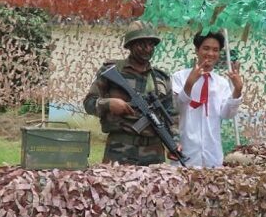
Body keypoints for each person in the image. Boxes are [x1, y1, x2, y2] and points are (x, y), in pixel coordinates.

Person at [83, 22, 177, 165]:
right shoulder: (111, 71)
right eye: (142, 44)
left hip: (154, 153)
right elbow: (89, 103)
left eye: (151, 44)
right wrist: (108, 104)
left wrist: (175, 143)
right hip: (120, 150)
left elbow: (171, 114)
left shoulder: (161, 78)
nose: (147, 49)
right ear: (130, 45)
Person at [171, 31, 243, 167]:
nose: (210, 54)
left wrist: (237, 90)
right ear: (197, 50)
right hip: (185, 154)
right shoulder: (179, 77)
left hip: (212, 155)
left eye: (215, 50)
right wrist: (190, 83)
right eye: (206, 48)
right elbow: (177, 107)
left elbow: (227, 114)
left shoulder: (221, 83)